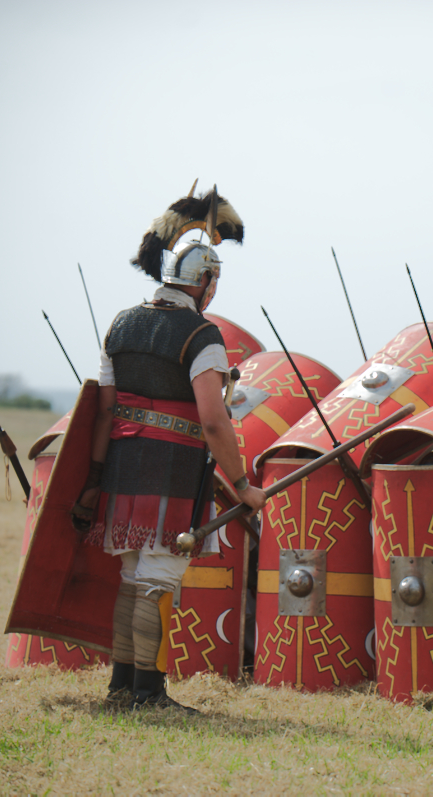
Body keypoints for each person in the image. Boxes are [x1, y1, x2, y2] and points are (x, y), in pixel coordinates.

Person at [73, 187, 266, 713]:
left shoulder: (120, 324)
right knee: (157, 581)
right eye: (213, 282)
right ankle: (149, 694)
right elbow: (213, 419)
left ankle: (122, 688)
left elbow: (106, 413)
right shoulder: (201, 335)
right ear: (204, 281)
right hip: (171, 474)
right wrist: (243, 486)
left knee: (132, 577)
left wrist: (94, 479)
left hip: (120, 470)